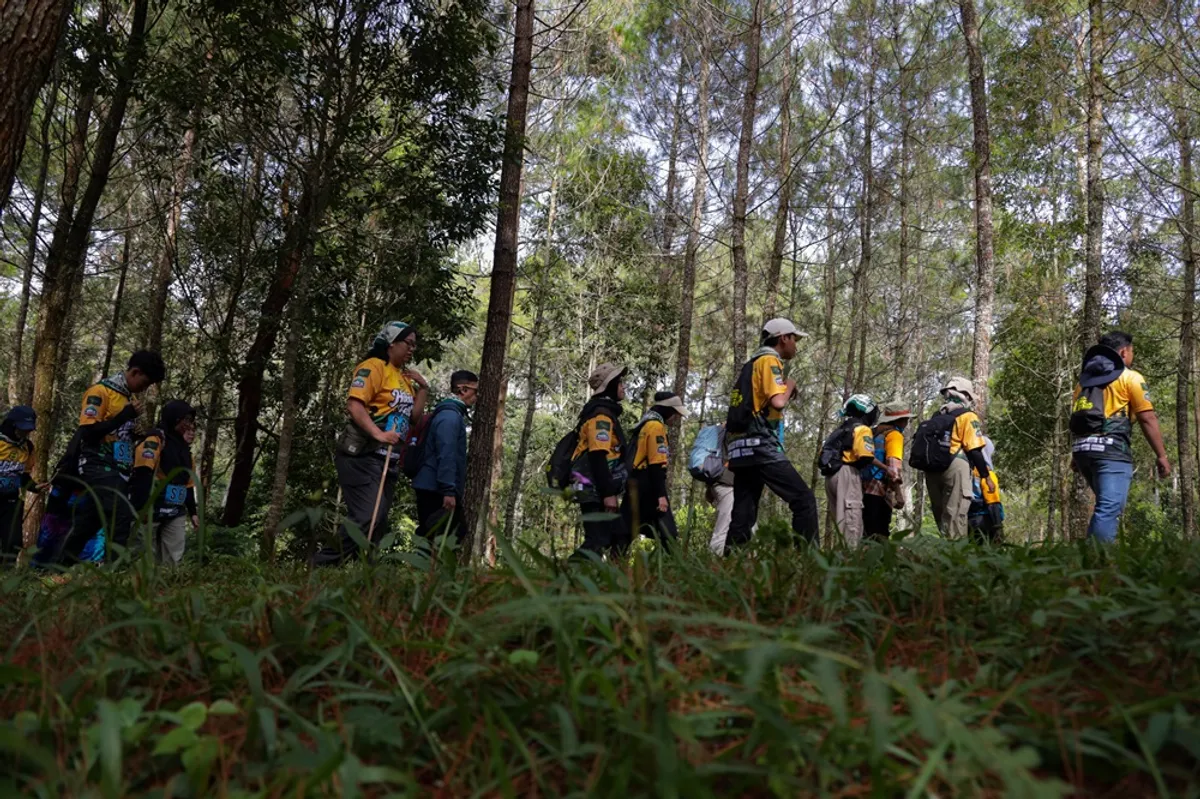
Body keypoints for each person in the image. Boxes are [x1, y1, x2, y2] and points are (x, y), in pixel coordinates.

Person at [315, 322, 429, 565]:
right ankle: (322, 564)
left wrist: (423, 389)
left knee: (379, 522)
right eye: (408, 343)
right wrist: (378, 434)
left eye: (414, 345)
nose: (412, 349)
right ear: (391, 343)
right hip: (362, 455)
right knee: (368, 515)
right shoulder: (373, 367)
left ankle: (365, 574)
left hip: (389, 460)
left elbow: (413, 418)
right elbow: (354, 405)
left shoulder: (403, 377)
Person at [53, 350, 166, 565]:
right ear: (135, 372)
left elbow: (117, 433)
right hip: (96, 463)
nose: (145, 388)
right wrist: (124, 416)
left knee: (89, 521)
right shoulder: (100, 391)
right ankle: (115, 571)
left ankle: (60, 568)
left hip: (117, 468)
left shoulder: (129, 398)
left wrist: (138, 433)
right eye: (145, 382)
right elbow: (88, 432)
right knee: (122, 512)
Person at [724, 318, 820, 550]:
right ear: (783, 338)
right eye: (794, 339)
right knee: (804, 499)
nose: (796, 345)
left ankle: (731, 562)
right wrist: (790, 384)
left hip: (740, 448)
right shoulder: (769, 360)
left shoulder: (751, 364)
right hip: (760, 446)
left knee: (744, 511)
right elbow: (778, 402)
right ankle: (810, 559)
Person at [1070, 331, 1170, 543]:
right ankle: (1097, 559)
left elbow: (1080, 415)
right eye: (1132, 352)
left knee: (1105, 506)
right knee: (1109, 508)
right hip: (1111, 450)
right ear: (1124, 352)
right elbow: (1147, 418)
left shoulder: (1084, 383)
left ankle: (1094, 554)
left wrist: (1075, 455)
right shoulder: (1130, 377)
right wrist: (1161, 455)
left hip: (1082, 450)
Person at [568, 363, 630, 560]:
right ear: (609, 386)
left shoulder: (604, 412)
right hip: (592, 487)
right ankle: (565, 573)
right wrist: (608, 494)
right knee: (597, 540)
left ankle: (610, 575)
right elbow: (597, 456)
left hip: (597, 486)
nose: (623, 387)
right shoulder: (601, 415)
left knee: (619, 535)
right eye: (619, 383)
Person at [128, 401, 199, 566]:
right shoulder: (155, 439)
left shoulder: (186, 452)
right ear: (174, 418)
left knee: (173, 558)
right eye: (185, 419)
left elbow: (188, 485)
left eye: (190, 420)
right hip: (151, 507)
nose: (187, 424)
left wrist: (193, 513)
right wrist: (142, 507)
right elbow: (142, 473)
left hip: (176, 510)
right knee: (144, 556)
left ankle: (169, 581)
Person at [413, 370, 478, 545]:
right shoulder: (449, 417)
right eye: (475, 391)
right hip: (435, 488)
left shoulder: (451, 414)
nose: (476, 396)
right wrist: (448, 491)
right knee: (445, 536)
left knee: (437, 535)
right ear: (463, 390)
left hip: (435, 486)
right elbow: (446, 453)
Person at [924, 376, 994, 539]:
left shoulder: (936, 416)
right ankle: (955, 550)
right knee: (955, 514)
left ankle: (943, 547)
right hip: (955, 467)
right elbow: (974, 450)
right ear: (966, 395)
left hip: (931, 469)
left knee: (941, 514)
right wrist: (986, 476)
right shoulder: (967, 416)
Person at [624, 391, 687, 551]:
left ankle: (613, 560)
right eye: (674, 413)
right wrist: (661, 495)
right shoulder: (656, 426)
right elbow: (656, 464)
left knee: (628, 528)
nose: (675, 418)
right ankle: (674, 563)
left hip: (636, 482)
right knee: (668, 532)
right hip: (648, 483)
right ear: (667, 410)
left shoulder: (645, 424)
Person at [821, 394, 876, 546]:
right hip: (848, 473)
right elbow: (865, 455)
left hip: (831, 477)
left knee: (840, 521)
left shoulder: (840, 429)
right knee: (852, 519)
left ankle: (841, 555)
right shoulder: (861, 429)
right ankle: (851, 556)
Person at [862, 401, 912, 541]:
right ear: (900, 420)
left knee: (866, 530)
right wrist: (898, 494)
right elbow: (893, 467)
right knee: (880, 532)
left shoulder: (873, 432)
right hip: (880, 489)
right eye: (906, 419)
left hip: (863, 486)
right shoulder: (894, 435)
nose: (907, 423)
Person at [0, 406, 40, 565]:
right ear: (11, 424)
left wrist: (35, 487)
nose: (25, 433)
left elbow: (23, 476)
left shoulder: (28, 447)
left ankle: (7, 574)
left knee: (13, 542)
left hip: (10, 500)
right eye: (22, 429)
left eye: (28, 429)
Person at [968, 437, 1004, 544]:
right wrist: (998, 527)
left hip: (968, 520)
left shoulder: (968, 471)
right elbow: (993, 503)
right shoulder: (987, 475)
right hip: (984, 520)